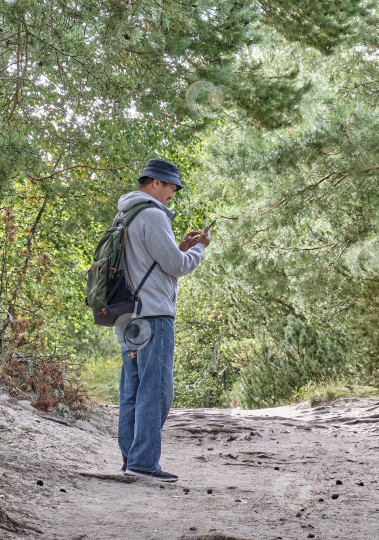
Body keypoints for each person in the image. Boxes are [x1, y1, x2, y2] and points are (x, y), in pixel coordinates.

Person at [114, 158, 211, 482]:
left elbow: (152, 260)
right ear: (155, 182)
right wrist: (197, 249)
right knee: (155, 390)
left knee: (133, 388)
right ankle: (144, 464)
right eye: (171, 186)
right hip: (154, 314)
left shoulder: (125, 213)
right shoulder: (153, 214)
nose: (173, 193)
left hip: (126, 315)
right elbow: (178, 266)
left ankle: (132, 459)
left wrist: (179, 246)